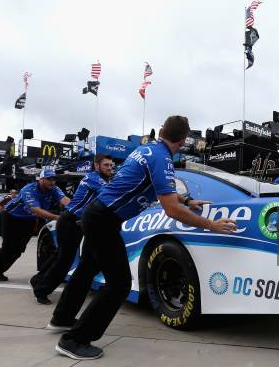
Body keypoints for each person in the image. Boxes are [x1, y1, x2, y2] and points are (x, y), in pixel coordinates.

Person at [51, 116, 237, 360]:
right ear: (181, 142)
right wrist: (211, 224)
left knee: (86, 269)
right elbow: (171, 208)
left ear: (162, 131)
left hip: (97, 215)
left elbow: (160, 188)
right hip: (102, 220)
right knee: (119, 285)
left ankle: (61, 318)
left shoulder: (146, 149)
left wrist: (188, 200)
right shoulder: (162, 158)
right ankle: (74, 340)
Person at [30, 155, 114, 305]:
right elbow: (112, 194)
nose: (110, 168)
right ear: (97, 166)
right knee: (65, 261)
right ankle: (41, 290)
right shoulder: (93, 178)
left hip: (80, 222)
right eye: (106, 165)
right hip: (69, 221)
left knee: (60, 256)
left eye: (111, 165)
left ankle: (37, 279)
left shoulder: (105, 179)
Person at [0, 169, 70, 283]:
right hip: (11, 217)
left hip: (28, 220)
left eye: (54, 179)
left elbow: (65, 200)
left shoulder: (54, 189)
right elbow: (36, 210)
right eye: (49, 179)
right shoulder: (28, 189)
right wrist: (58, 217)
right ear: (41, 180)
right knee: (8, 248)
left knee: (19, 250)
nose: (52, 182)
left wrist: (79, 209)